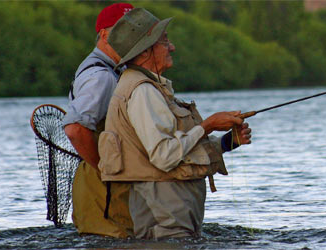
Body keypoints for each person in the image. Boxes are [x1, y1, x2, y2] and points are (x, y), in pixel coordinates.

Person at [98, 8, 252, 239]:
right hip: (164, 218)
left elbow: (176, 145)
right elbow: (164, 155)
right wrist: (208, 124)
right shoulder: (143, 92)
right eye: (165, 41)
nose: (172, 47)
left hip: (172, 215)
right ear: (146, 51)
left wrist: (227, 143)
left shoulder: (148, 88)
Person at [62, 3, 135, 238]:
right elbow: (75, 129)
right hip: (102, 190)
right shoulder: (102, 77)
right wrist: (105, 171)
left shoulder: (112, 69)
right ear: (104, 34)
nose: (131, 36)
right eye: (123, 29)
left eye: (134, 29)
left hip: (102, 190)